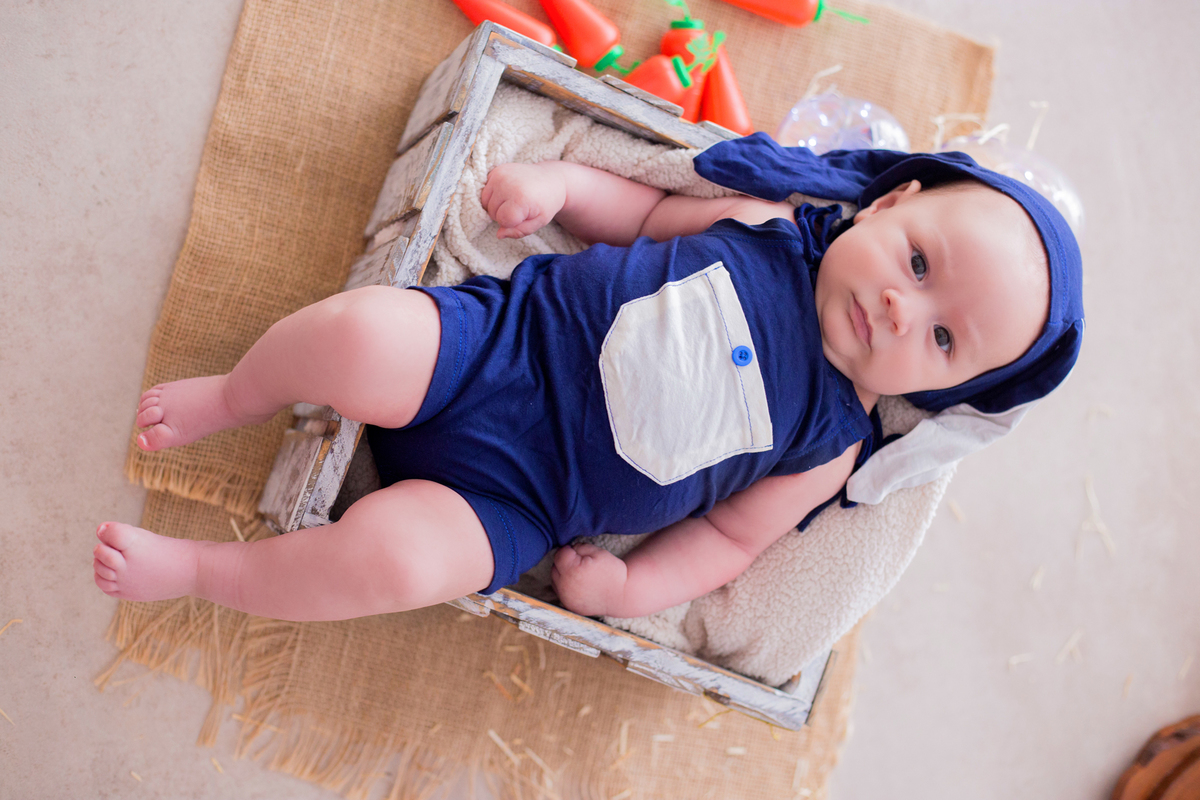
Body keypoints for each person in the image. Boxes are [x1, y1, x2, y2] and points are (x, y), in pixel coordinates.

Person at [92, 135, 1084, 623]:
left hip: (517, 501)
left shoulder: (829, 443)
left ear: (945, 393)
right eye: (917, 262)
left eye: (945, 340)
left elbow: (728, 538)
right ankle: (237, 393)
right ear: (888, 201)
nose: (905, 312)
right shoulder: (772, 225)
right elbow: (649, 214)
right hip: (494, 349)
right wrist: (564, 189)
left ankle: (204, 573)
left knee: (391, 564)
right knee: (357, 335)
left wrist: (633, 585)